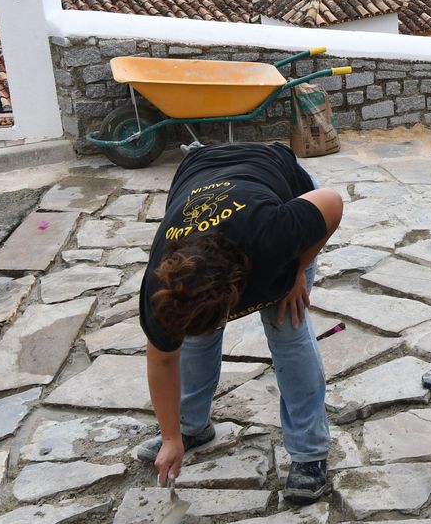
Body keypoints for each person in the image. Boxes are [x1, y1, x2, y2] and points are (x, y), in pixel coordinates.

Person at [135, 141, 343, 505]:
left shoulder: (271, 233)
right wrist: (170, 438)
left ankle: (309, 452)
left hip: (275, 175)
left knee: (287, 328)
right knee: (196, 340)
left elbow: (331, 203)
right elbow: (162, 360)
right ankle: (190, 428)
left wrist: (297, 270)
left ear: (237, 293)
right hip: (201, 168)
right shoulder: (162, 287)